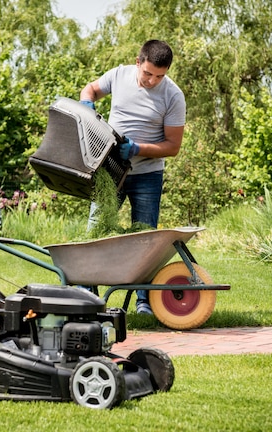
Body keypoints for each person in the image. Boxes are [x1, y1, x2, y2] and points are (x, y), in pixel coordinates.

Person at [79, 39, 186, 315]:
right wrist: (87, 104)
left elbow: (173, 147)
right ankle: (87, 298)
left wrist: (138, 148)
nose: (152, 80)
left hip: (148, 176)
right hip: (110, 172)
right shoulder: (119, 75)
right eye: (148, 73)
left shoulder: (173, 96)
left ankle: (143, 302)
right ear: (138, 62)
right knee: (96, 232)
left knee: (145, 239)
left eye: (159, 76)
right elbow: (90, 88)